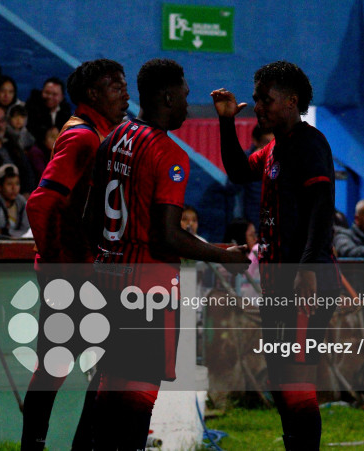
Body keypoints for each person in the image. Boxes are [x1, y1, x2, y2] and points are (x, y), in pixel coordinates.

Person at [85, 58, 249, 450]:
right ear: (167, 96)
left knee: (111, 382)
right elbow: (166, 237)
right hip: (147, 286)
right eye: (185, 97)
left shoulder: (114, 137)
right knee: (140, 390)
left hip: (108, 279)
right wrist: (223, 256)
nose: (187, 106)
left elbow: (91, 216)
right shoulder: (168, 153)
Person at [212, 60, 340, 449]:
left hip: (303, 281)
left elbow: (322, 206)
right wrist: (225, 122)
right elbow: (236, 171)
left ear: (291, 101)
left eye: (265, 99)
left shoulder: (309, 142)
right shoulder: (272, 150)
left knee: (297, 380)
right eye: (256, 99)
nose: (259, 106)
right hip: (277, 283)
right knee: (282, 379)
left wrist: (308, 269)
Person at [20, 58, 131, 451]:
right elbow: (41, 203)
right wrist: (56, 266)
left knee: (57, 367)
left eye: (124, 82)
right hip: (75, 273)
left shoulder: (98, 132)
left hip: (82, 270)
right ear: (91, 94)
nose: (125, 91)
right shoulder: (84, 136)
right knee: (103, 366)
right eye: (114, 84)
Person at [25, 77, 72, 144]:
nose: (50, 97)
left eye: (54, 94)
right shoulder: (32, 108)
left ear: (61, 97)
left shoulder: (66, 111)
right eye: (47, 93)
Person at [0, 164, 28, 238]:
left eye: (17, 184)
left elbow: (26, 229)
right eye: (9, 184)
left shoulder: (21, 202)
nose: (14, 188)